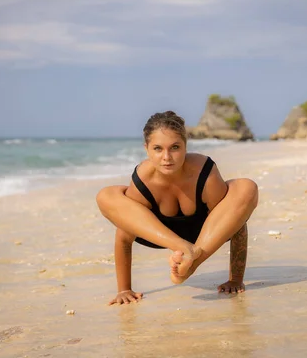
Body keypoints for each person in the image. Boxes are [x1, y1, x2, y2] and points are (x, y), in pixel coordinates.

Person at [96, 111, 258, 305]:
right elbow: (124, 233)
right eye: (157, 148)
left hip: (205, 236)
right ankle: (185, 250)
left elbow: (235, 220)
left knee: (246, 187)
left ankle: (189, 265)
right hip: (158, 233)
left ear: (185, 146)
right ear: (146, 149)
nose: (167, 157)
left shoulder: (203, 171)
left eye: (175, 147)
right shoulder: (142, 180)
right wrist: (124, 289)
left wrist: (236, 278)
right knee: (106, 195)